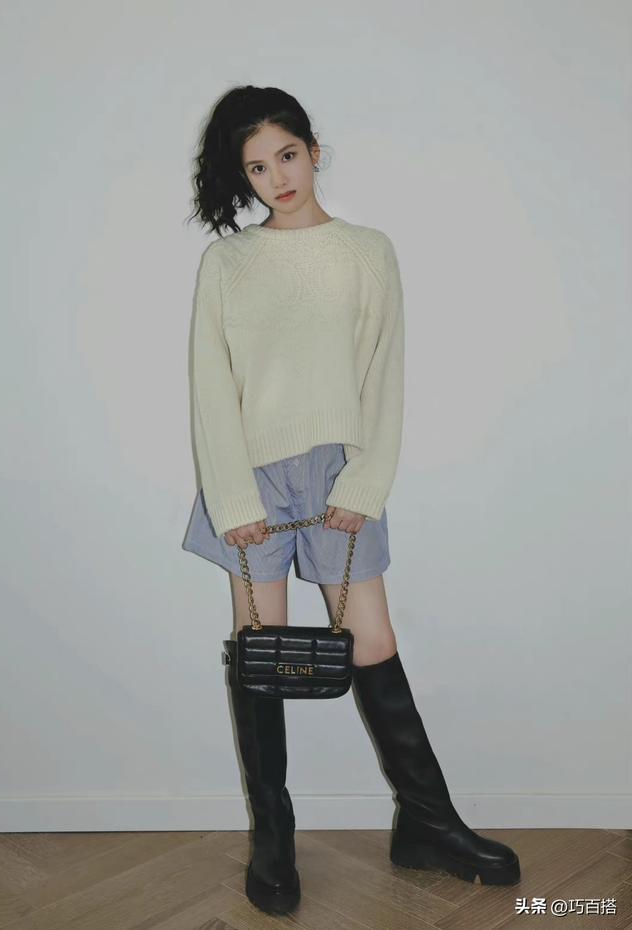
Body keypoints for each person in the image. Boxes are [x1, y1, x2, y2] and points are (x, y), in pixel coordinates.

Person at [182, 84, 520, 915]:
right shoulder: (227, 263)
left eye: (287, 156)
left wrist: (365, 484)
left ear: (313, 150)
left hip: (341, 469)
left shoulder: (368, 251)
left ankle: (428, 821)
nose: (277, 178)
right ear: (242, 177)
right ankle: (274, 838)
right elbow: (210, 386)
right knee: (259, 646)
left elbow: (384, 376)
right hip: (251, 474)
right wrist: (233, 500)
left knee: (373, 639)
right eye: (257, 167)